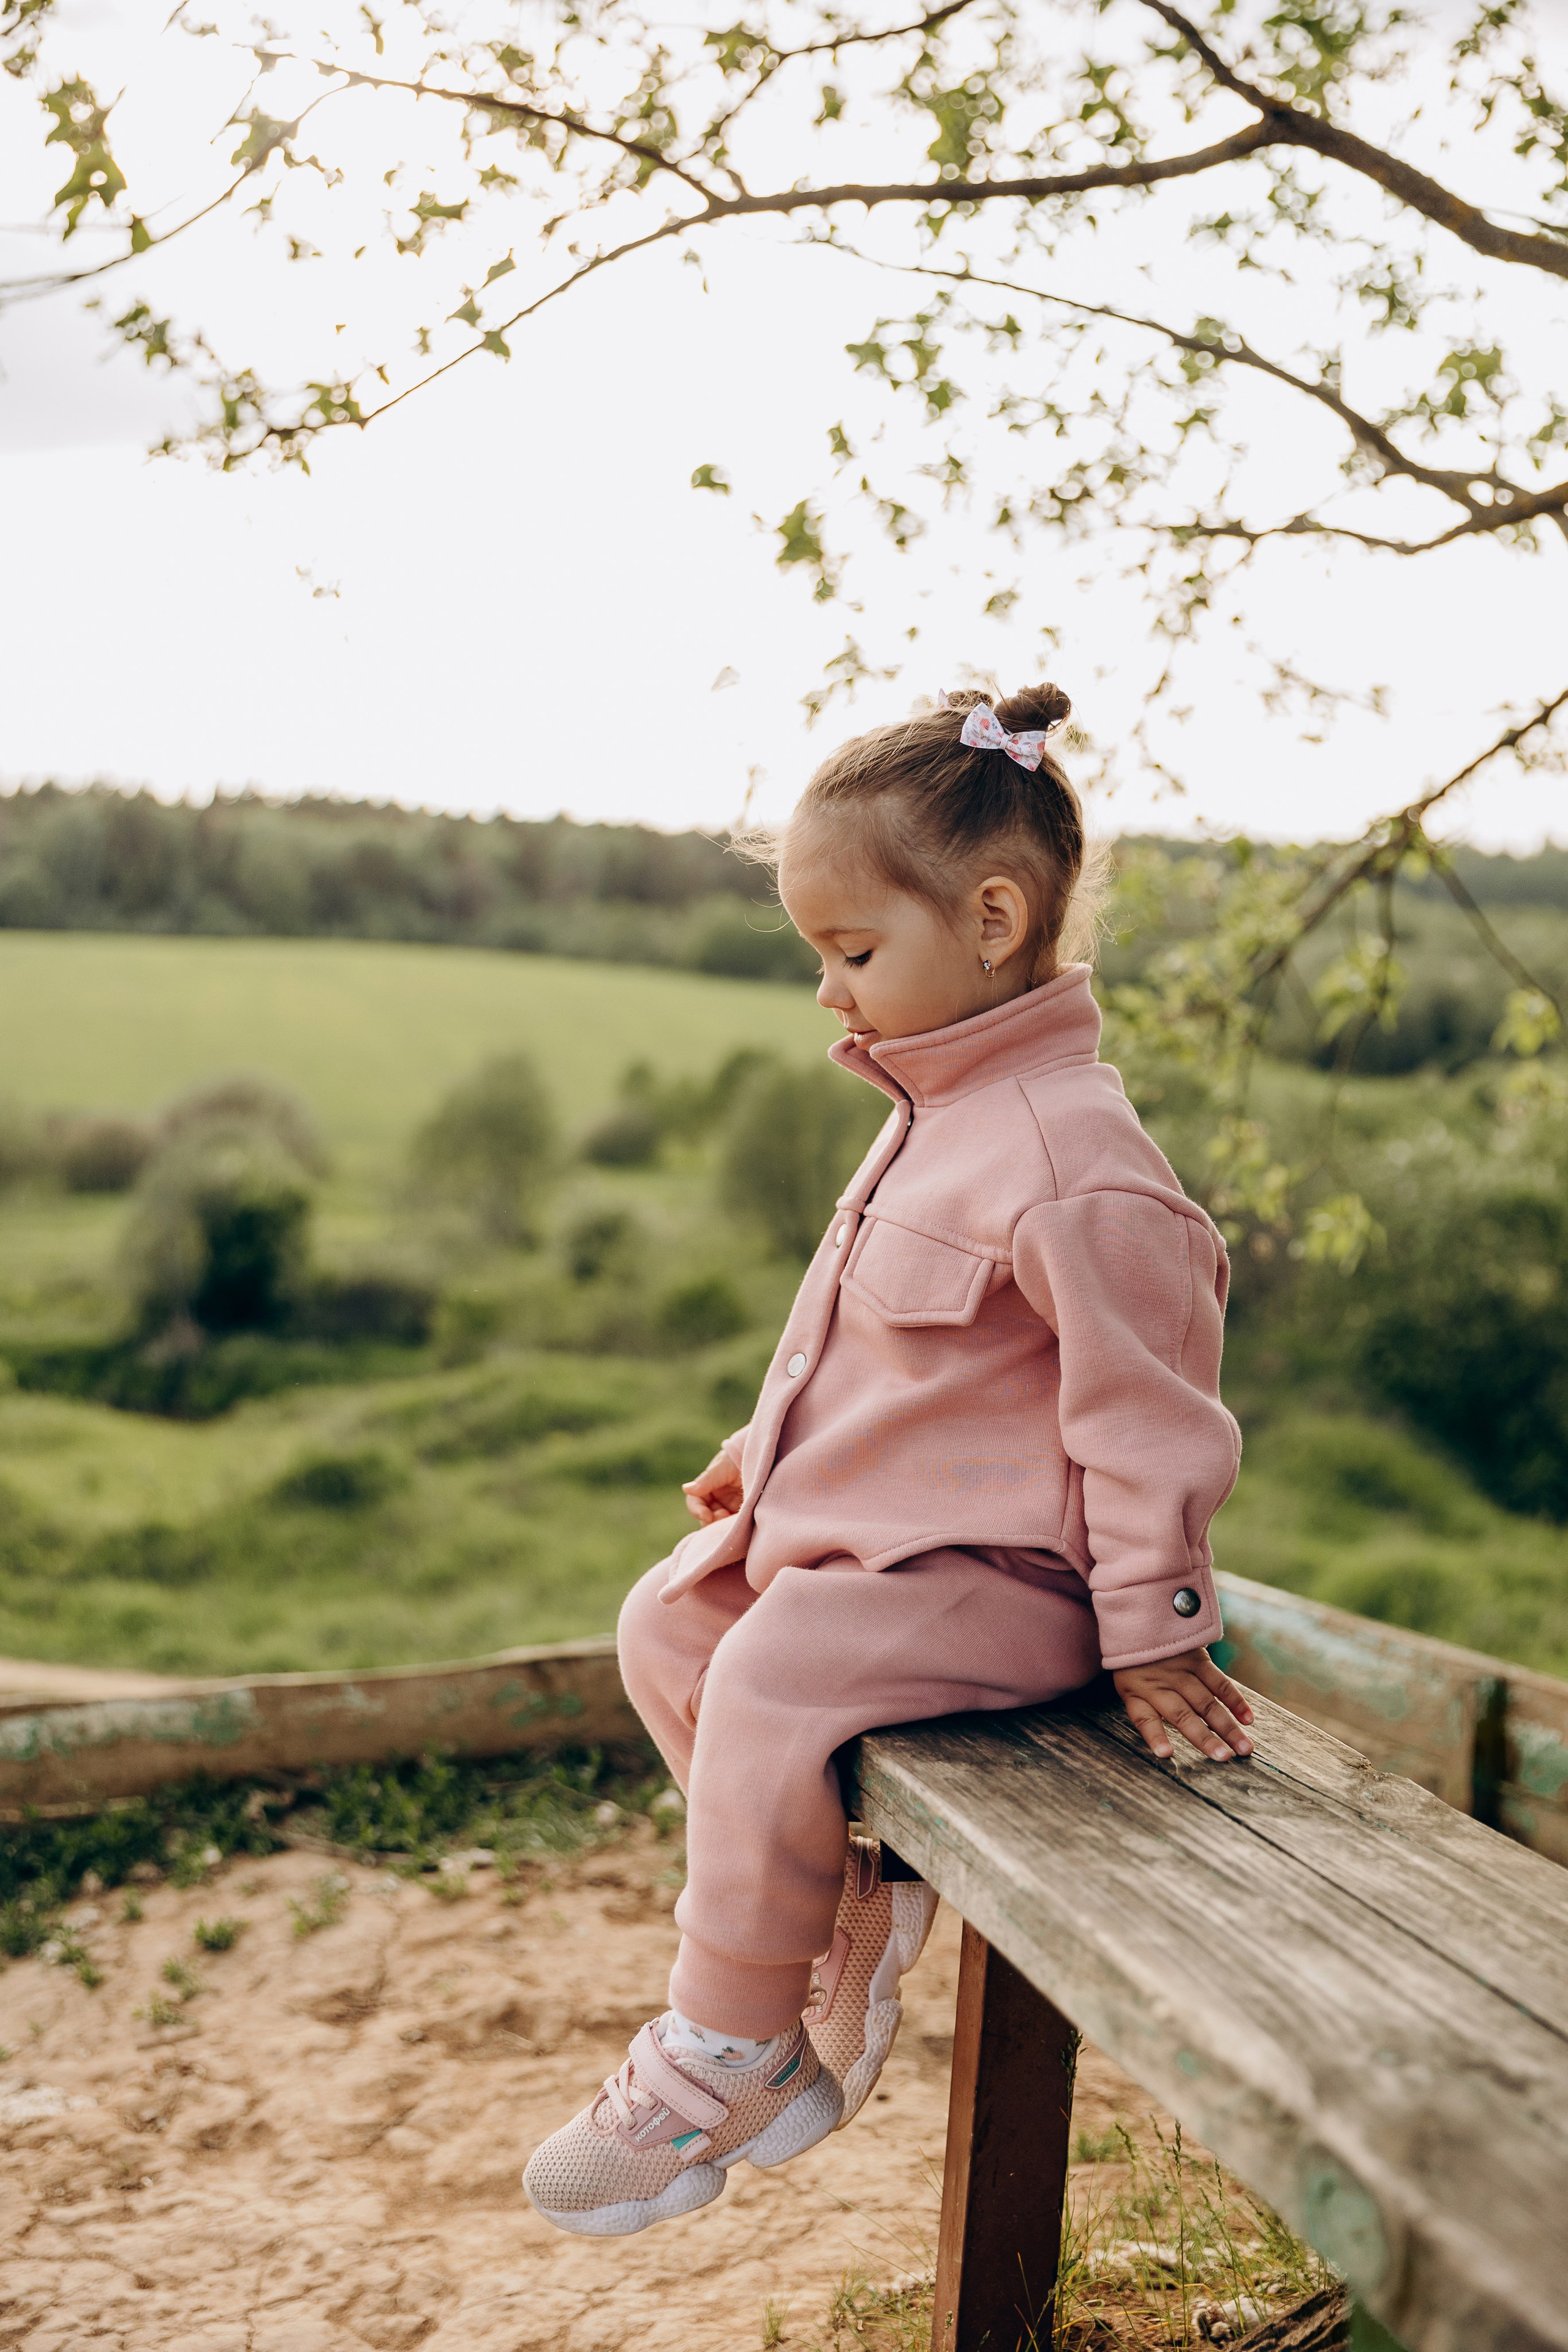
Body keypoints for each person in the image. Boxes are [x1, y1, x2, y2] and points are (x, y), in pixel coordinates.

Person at [524, 681, 1253, 2239]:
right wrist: (767, 1458)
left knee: (779, 1660)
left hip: (1017, 1587)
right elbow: (885, 1351)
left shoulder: (1071, 1152)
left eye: (852, 952)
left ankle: (724, 2040)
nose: (827, 992)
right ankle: (854, 1901)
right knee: (671, 1619)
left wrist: (1153, 1630)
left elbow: (1147, 1417)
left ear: (990, 917)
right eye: (816, 960)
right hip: (895, 1554)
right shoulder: (935, 1106)